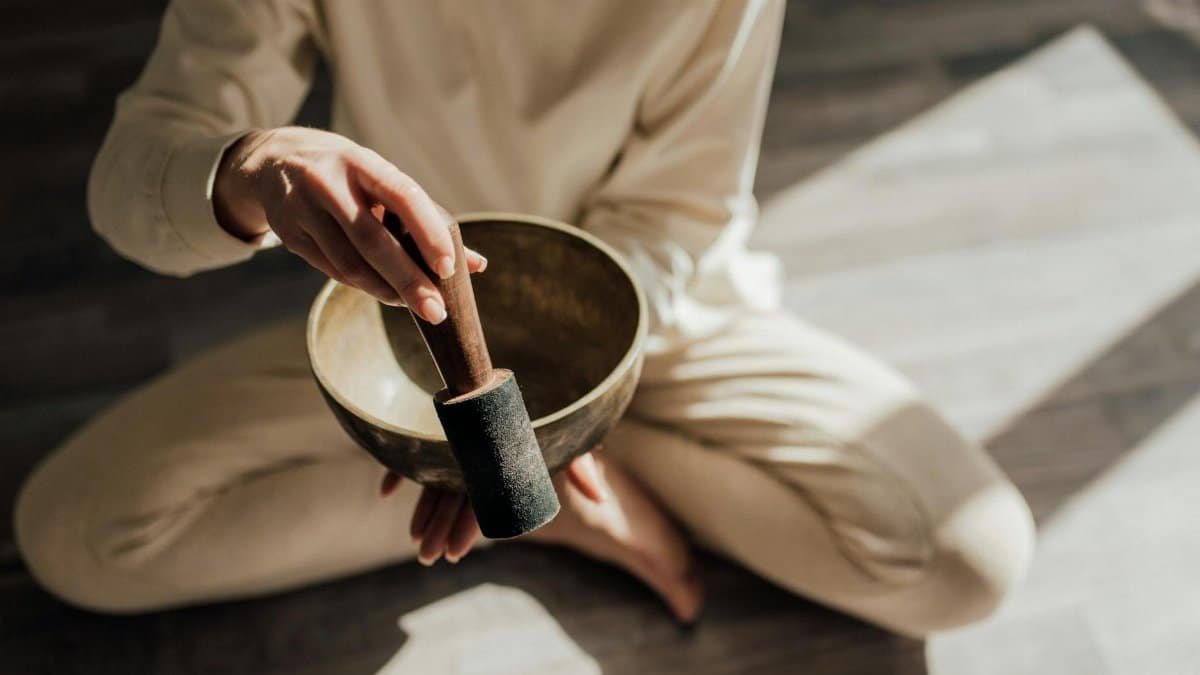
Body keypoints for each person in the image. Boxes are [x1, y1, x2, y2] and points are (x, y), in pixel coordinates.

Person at [15, 0, 1034, 637]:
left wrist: (535, 421)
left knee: (965, 561)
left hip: (658, 319)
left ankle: (532, 489)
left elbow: (677, 212)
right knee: (79, 535)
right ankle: (543, 510)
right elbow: (133, 177)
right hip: (407, 347)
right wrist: (249, 170)